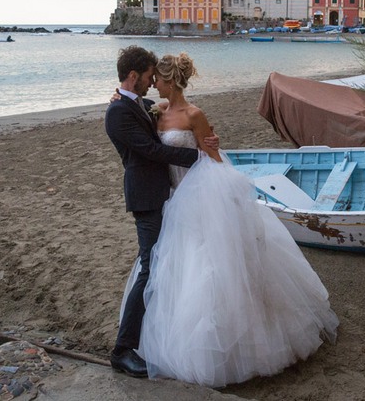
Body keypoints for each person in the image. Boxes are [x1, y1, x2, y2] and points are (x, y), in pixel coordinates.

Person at [125, 52, 339, 388]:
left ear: (171, 81)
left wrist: (223, 177)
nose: (153, 83)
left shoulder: (195, 114)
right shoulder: (157, 111)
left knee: (210, 266)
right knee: (175, 267)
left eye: (158, 79)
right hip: (172, 198)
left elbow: (212, 157)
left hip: (198, 194)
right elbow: (141, 127)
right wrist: (118, 97)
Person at [104, 46, 218, 378]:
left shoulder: (145, 105)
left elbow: (173, 119)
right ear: (133, 76)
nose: (153, 81)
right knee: (149, 268)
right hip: (147, 198)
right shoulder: (117, 113)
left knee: (169, 265)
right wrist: (199, 157)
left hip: (169, 195)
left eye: (157, 76)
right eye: (149, 76)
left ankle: (160, 337)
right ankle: (122, 350)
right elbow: (152, 150)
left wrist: (205, 141)